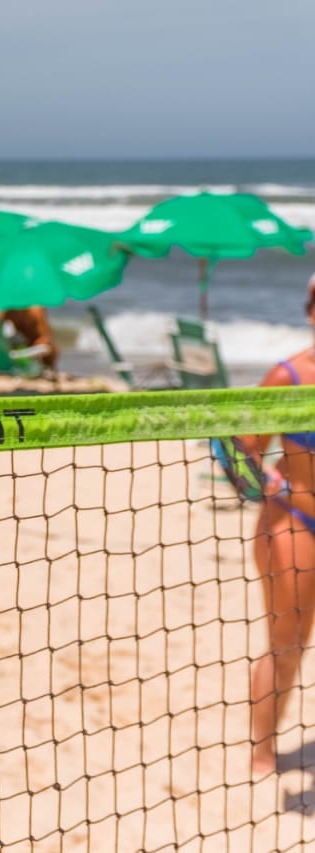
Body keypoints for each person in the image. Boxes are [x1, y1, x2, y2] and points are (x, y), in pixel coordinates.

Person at [242, 275, 315, 776]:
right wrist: (262, 477)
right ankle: (262, 754)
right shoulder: (289, 374)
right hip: (296, 520)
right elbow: (241, 442)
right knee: (286, 643)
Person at [1, 305, 59, 371]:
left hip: (35, 351)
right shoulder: (9, 310)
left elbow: (46, 341)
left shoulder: (35, 311)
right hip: (24, 350)